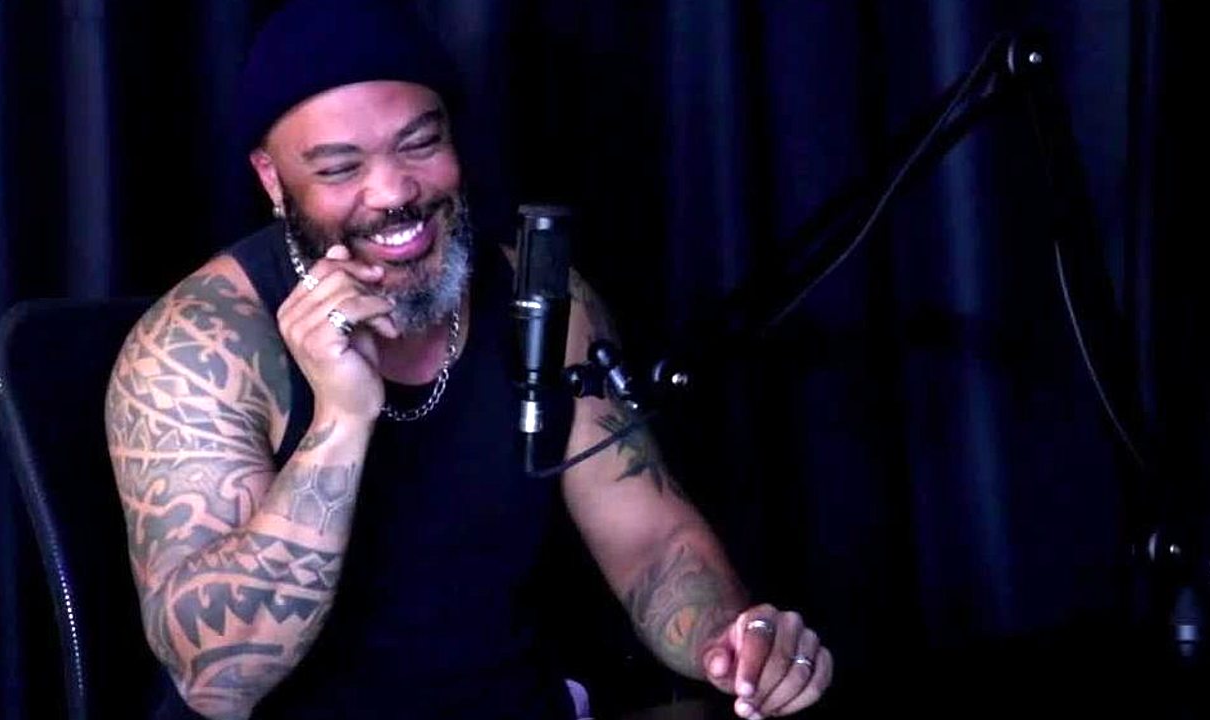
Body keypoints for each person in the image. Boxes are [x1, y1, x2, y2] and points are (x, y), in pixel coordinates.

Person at [104, 0, 832, 718]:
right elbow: (217, 684)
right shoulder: (198, 346)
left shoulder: (541, 303)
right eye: (341, 168)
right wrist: (341, 420)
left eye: (420, 145)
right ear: (272, 180)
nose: (394, 192)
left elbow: (652, 542)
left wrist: (729, 644)